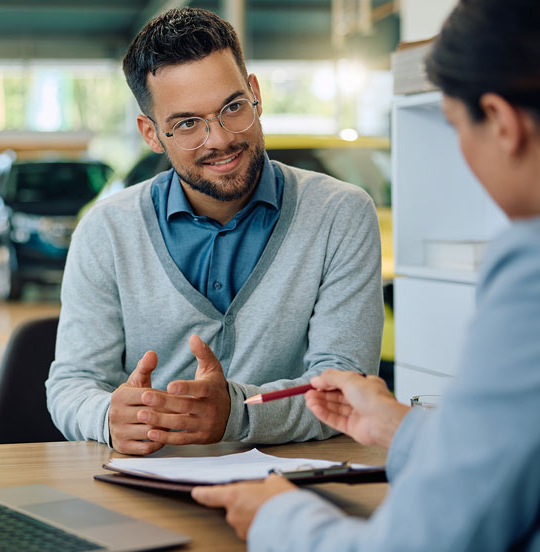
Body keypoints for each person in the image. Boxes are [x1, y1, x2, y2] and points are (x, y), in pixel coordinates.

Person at [191, 0, 540, 549]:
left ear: (500, 121)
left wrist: (278, 518)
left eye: (453, 128)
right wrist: (400, 427)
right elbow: (509, 451)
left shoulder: (530, 275)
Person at [46, 7, 384, 454]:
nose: (220, 139)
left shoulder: (341, 214)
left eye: (232, 107)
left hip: (293, 487)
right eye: (187, 123)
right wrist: (108, 416)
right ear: (151, 134)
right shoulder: (106, 230)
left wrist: (236, 414)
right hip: (150, 488)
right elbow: (72, 384)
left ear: (255, 93)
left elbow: (346, 386)